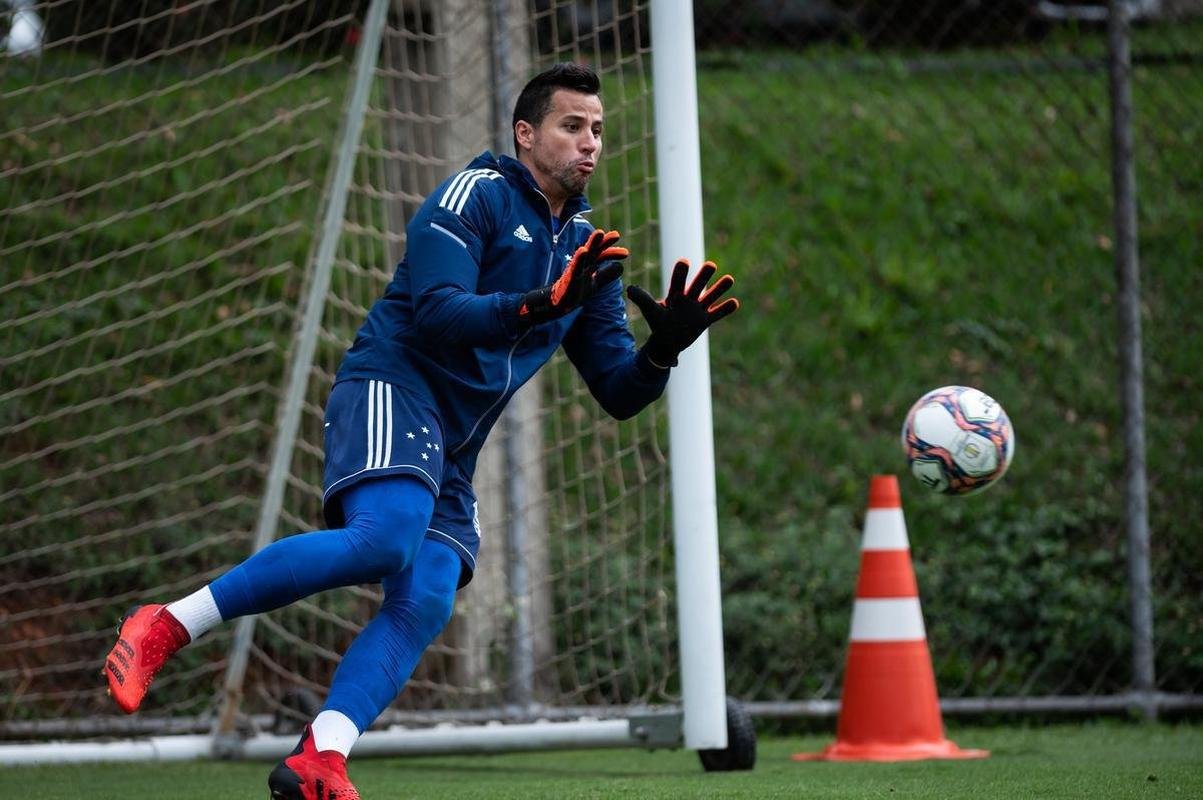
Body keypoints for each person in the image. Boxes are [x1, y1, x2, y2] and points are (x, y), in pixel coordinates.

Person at [103, 62, 739, 800]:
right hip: (393, 386)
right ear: (525, 133)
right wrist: (539, 303)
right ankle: (167, 624)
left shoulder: (587, 251)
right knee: (387, 537)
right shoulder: (474, 196)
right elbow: (438, 312)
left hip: (453, 444)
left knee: (430, 589)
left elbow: (617, 392)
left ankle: (321, 755)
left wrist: (662, 349)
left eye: (597, 129)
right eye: (571, 126)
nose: (589, 143)